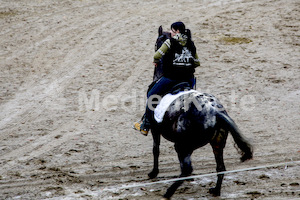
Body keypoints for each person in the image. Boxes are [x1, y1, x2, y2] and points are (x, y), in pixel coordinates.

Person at [134, 22, 200, 136]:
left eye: (172, 31)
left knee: (151, 94)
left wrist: (156, 61)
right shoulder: (191, 43)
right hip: (188, 79)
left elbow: (156, 56)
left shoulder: (170, 42)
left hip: (172, 78)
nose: (170, 32)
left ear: (177, 31)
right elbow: (197, 62)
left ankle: (145, 125)